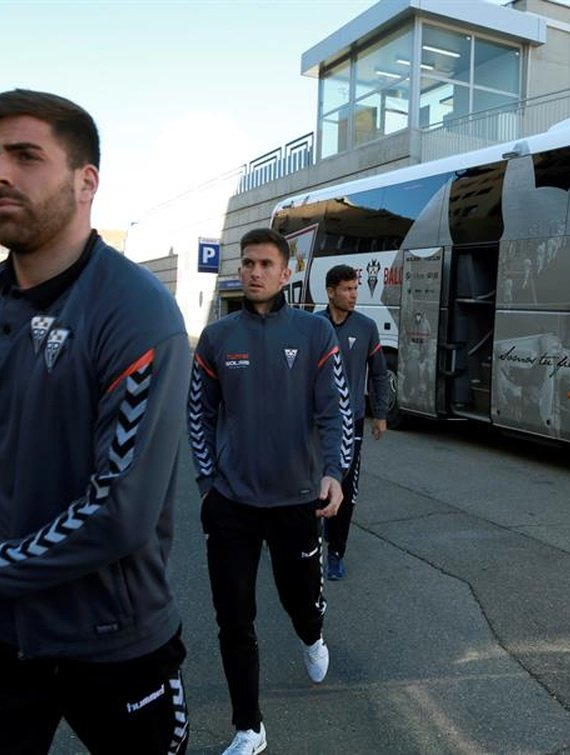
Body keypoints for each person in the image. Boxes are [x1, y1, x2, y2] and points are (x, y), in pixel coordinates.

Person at [0, 89, 190, 755]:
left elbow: (117, 510)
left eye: (24, 155)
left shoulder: (136, 312)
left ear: (85, 179)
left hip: (111, 639)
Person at [189, 227, 353, 755]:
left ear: (287, 273)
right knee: (233, 617)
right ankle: (249, 727)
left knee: (299, 601)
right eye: (247, 263)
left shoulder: (313, 334)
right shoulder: (218, 337)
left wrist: (334, 471)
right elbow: (199, 413)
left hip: (296, 501)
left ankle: (312, 634)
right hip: (232, 504)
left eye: (265, 264)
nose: (254, 271)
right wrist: (207, 484)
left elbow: (335, 411)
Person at [318, 264, 390, 581]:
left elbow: (379, 374)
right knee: (309, 483)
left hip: (352, 422)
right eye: (347, 289)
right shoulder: (312, 326)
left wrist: (381, 414)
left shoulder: (366, 326)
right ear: (331, 292)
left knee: (346, 487)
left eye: (355, 288)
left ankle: (336, 552)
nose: (353, 295)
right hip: (315, 422)